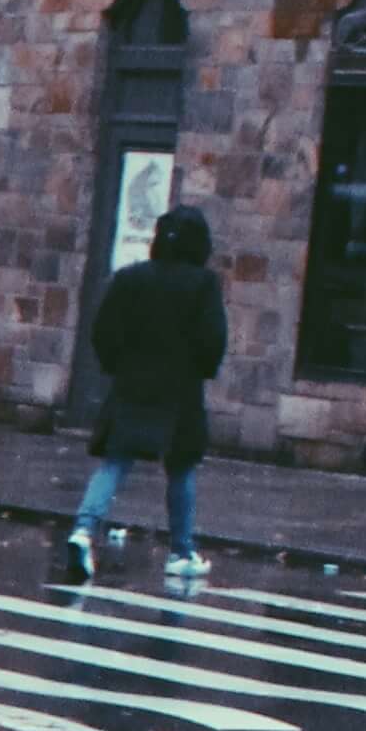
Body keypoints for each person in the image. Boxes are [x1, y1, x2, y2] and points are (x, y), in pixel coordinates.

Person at [66, 208, 227, 593]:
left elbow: (103, 330)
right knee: (182, 467)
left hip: (133, 383)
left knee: (115, 462)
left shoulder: (130, 278)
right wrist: (201, 368)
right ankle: (181, 551)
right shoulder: (203, 285)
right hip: (181, 387)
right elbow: (212, 339)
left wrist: (117, 365)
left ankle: (84, 530)